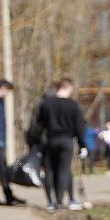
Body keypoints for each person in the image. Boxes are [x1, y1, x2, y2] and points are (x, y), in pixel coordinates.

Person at [31, 79, 86, 210]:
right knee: (64, 170)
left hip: (50, 140)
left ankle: (50, 202)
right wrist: (82, 145)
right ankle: (60, 201)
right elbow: (79, 127)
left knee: (49, 170)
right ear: (69, 88)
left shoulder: (46, 104)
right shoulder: (73, 105)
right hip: (66, 140)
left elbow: (38, 125)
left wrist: (36, 142)